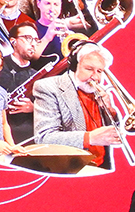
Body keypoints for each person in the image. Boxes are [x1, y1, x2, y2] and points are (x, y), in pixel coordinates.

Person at [32, 38, 119, 167]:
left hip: (103, 167)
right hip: (71, 168)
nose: (95, 77)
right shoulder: (47, 87)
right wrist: (89, 138)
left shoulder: (100, 93)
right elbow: (44, 138)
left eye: (99, 71)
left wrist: (110, 110)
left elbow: (114, 135)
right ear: (73, 66)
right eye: (89, 69)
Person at [1, 22, 51, 145]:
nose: (33, 44)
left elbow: (50, 109)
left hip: (29, 138)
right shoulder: (1, 66)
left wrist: (33, 108)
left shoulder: (38, 75)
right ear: (13, 41)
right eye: (28, 38)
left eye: (36, 40)